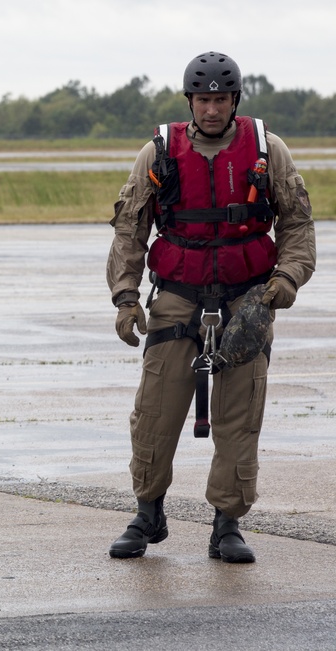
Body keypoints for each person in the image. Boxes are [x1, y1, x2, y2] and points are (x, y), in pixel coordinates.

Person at [106, 51, 316, 563]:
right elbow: (130, 229)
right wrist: (126, 297)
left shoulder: (270, 150)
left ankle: (227, 524)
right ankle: (148, 512)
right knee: (155, 410)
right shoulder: (157, 152)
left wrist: (287, 277)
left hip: (249, 299)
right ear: (190, 101)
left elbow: (297, 225)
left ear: (234, 101)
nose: (212, 109)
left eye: (221, 99)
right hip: (177, 296)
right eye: (203, 99)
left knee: (239, 416)